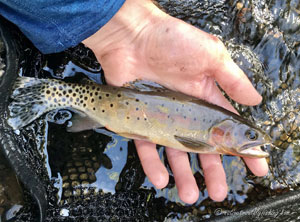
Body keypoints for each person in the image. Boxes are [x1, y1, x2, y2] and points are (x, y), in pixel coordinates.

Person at [0, 0, 268, 204]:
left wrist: (120, 23)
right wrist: (125, 26)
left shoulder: (212, 135)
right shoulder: (205, 139)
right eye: (249, 134)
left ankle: (49, 93)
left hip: (113, 104)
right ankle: (48, 93)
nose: (252, 139)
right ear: (226, 129)